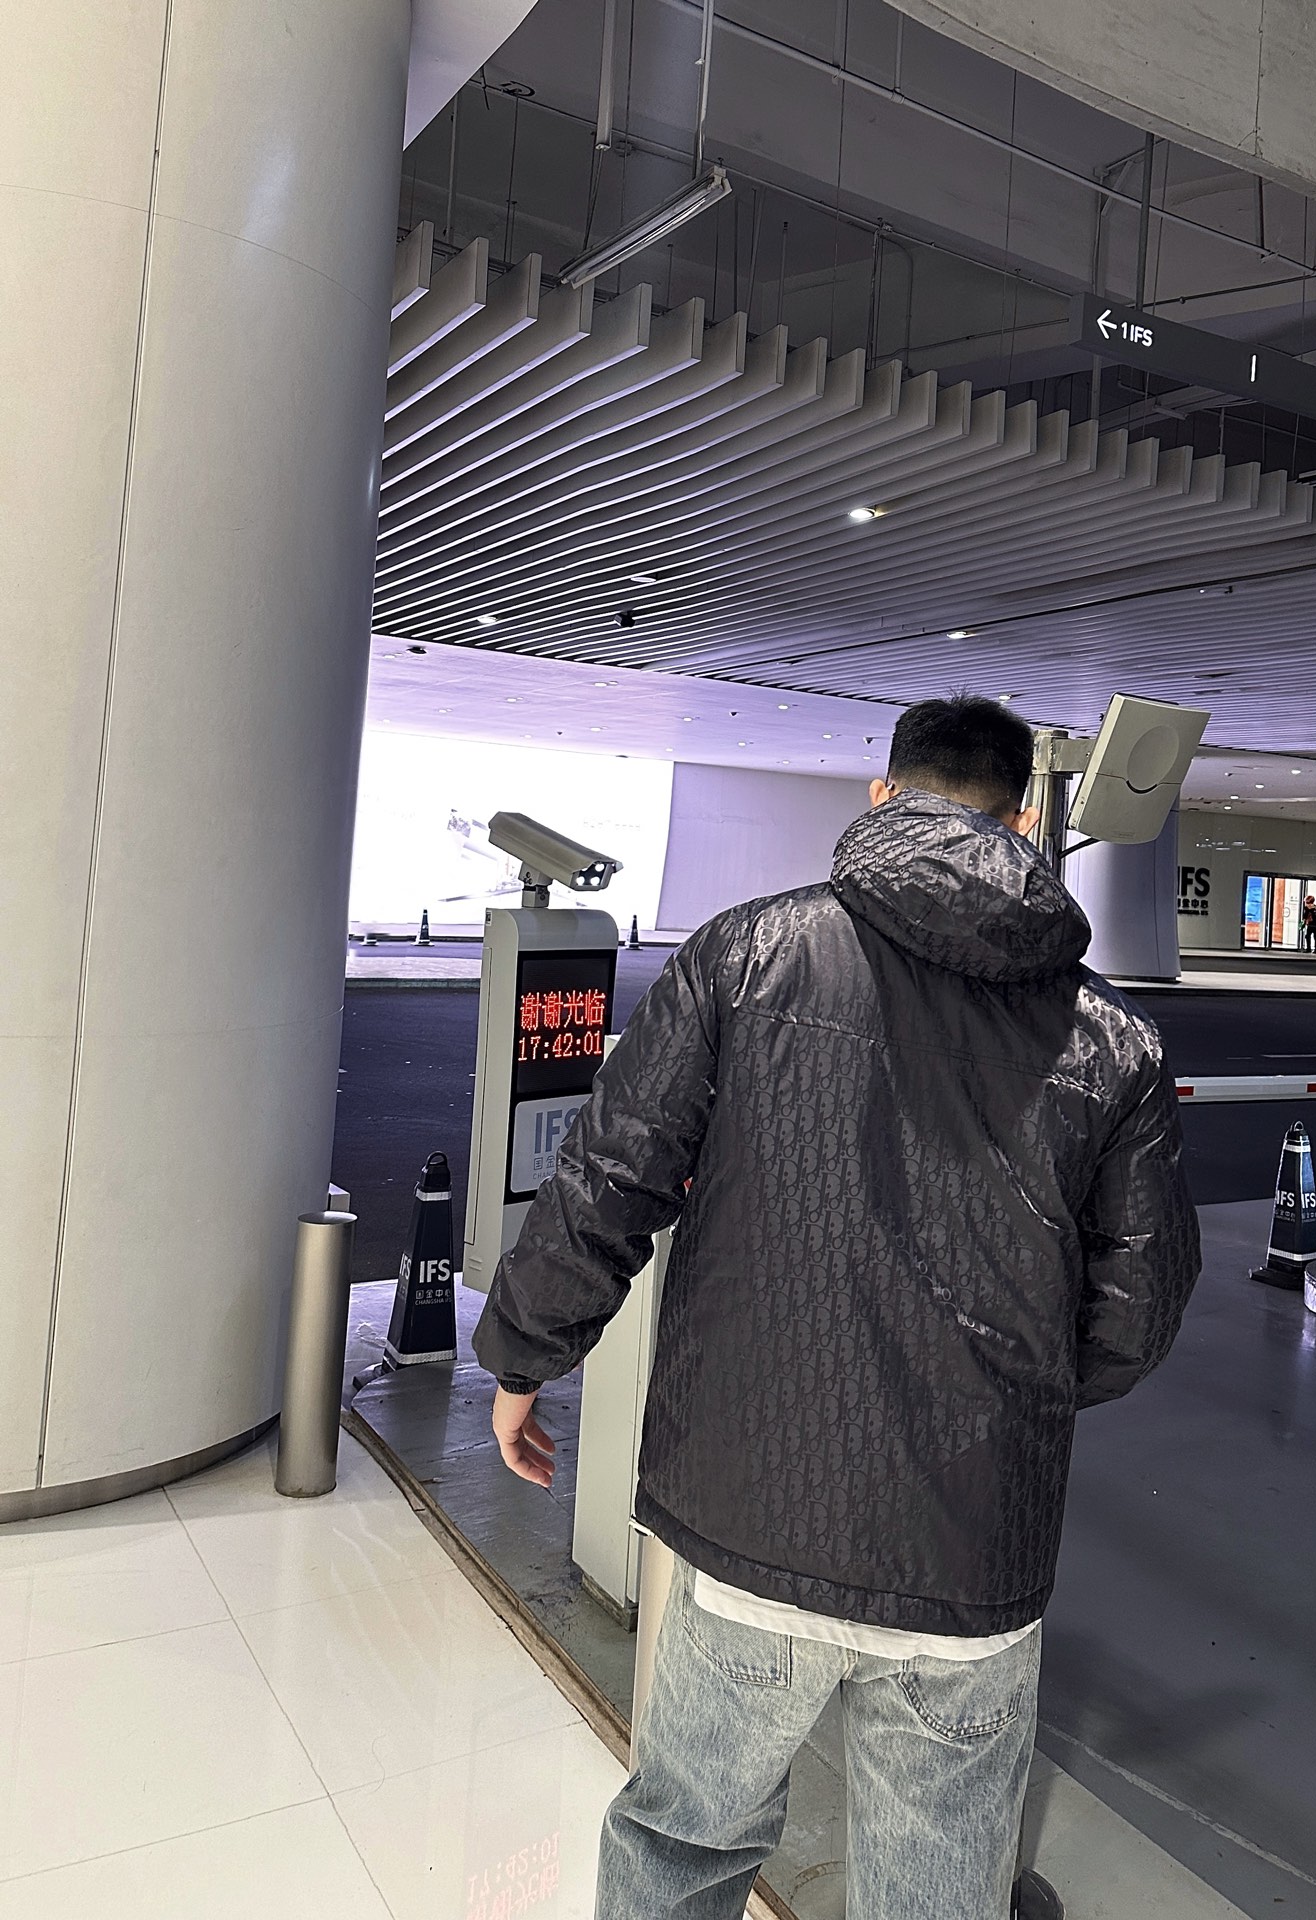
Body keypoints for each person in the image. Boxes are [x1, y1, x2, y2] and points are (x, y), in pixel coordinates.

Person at [474, 694, 1201, 1920]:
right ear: (1022, 820)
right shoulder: (1114, 1039)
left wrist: (524, 1355)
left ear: (882, 793)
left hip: (755, 1510)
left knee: (684, 1841)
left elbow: (613, 1172)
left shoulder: (747, 953)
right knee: (939, 1890)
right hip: (973, 1547)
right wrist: (1002, 1398)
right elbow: (1138, 1308)